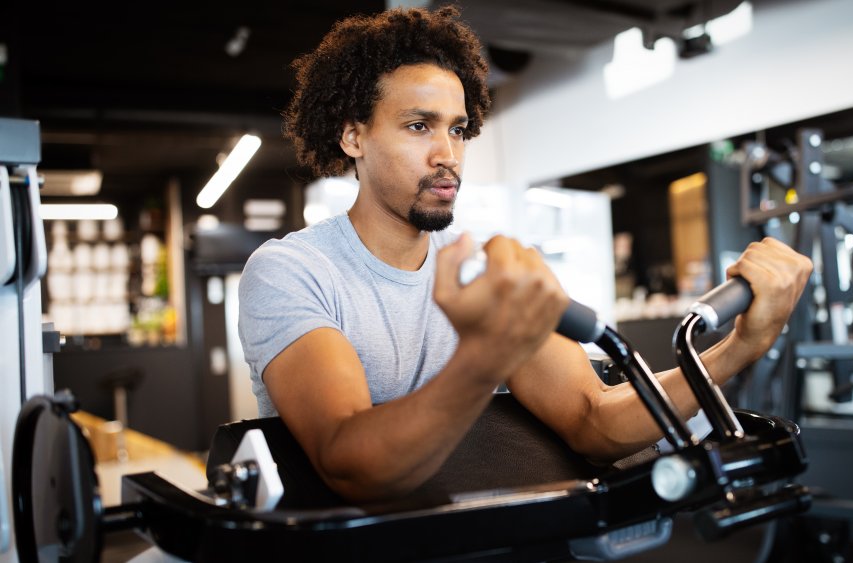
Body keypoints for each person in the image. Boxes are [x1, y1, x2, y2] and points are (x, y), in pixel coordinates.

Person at [238, 5, 813, 504]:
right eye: (418, 126)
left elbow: (595, 418)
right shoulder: (293, 273)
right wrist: (486, 355)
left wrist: (741, 346)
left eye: (458, 130)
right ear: (353, 137)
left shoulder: (482, 268)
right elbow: (352, 465)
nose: (448, 155)